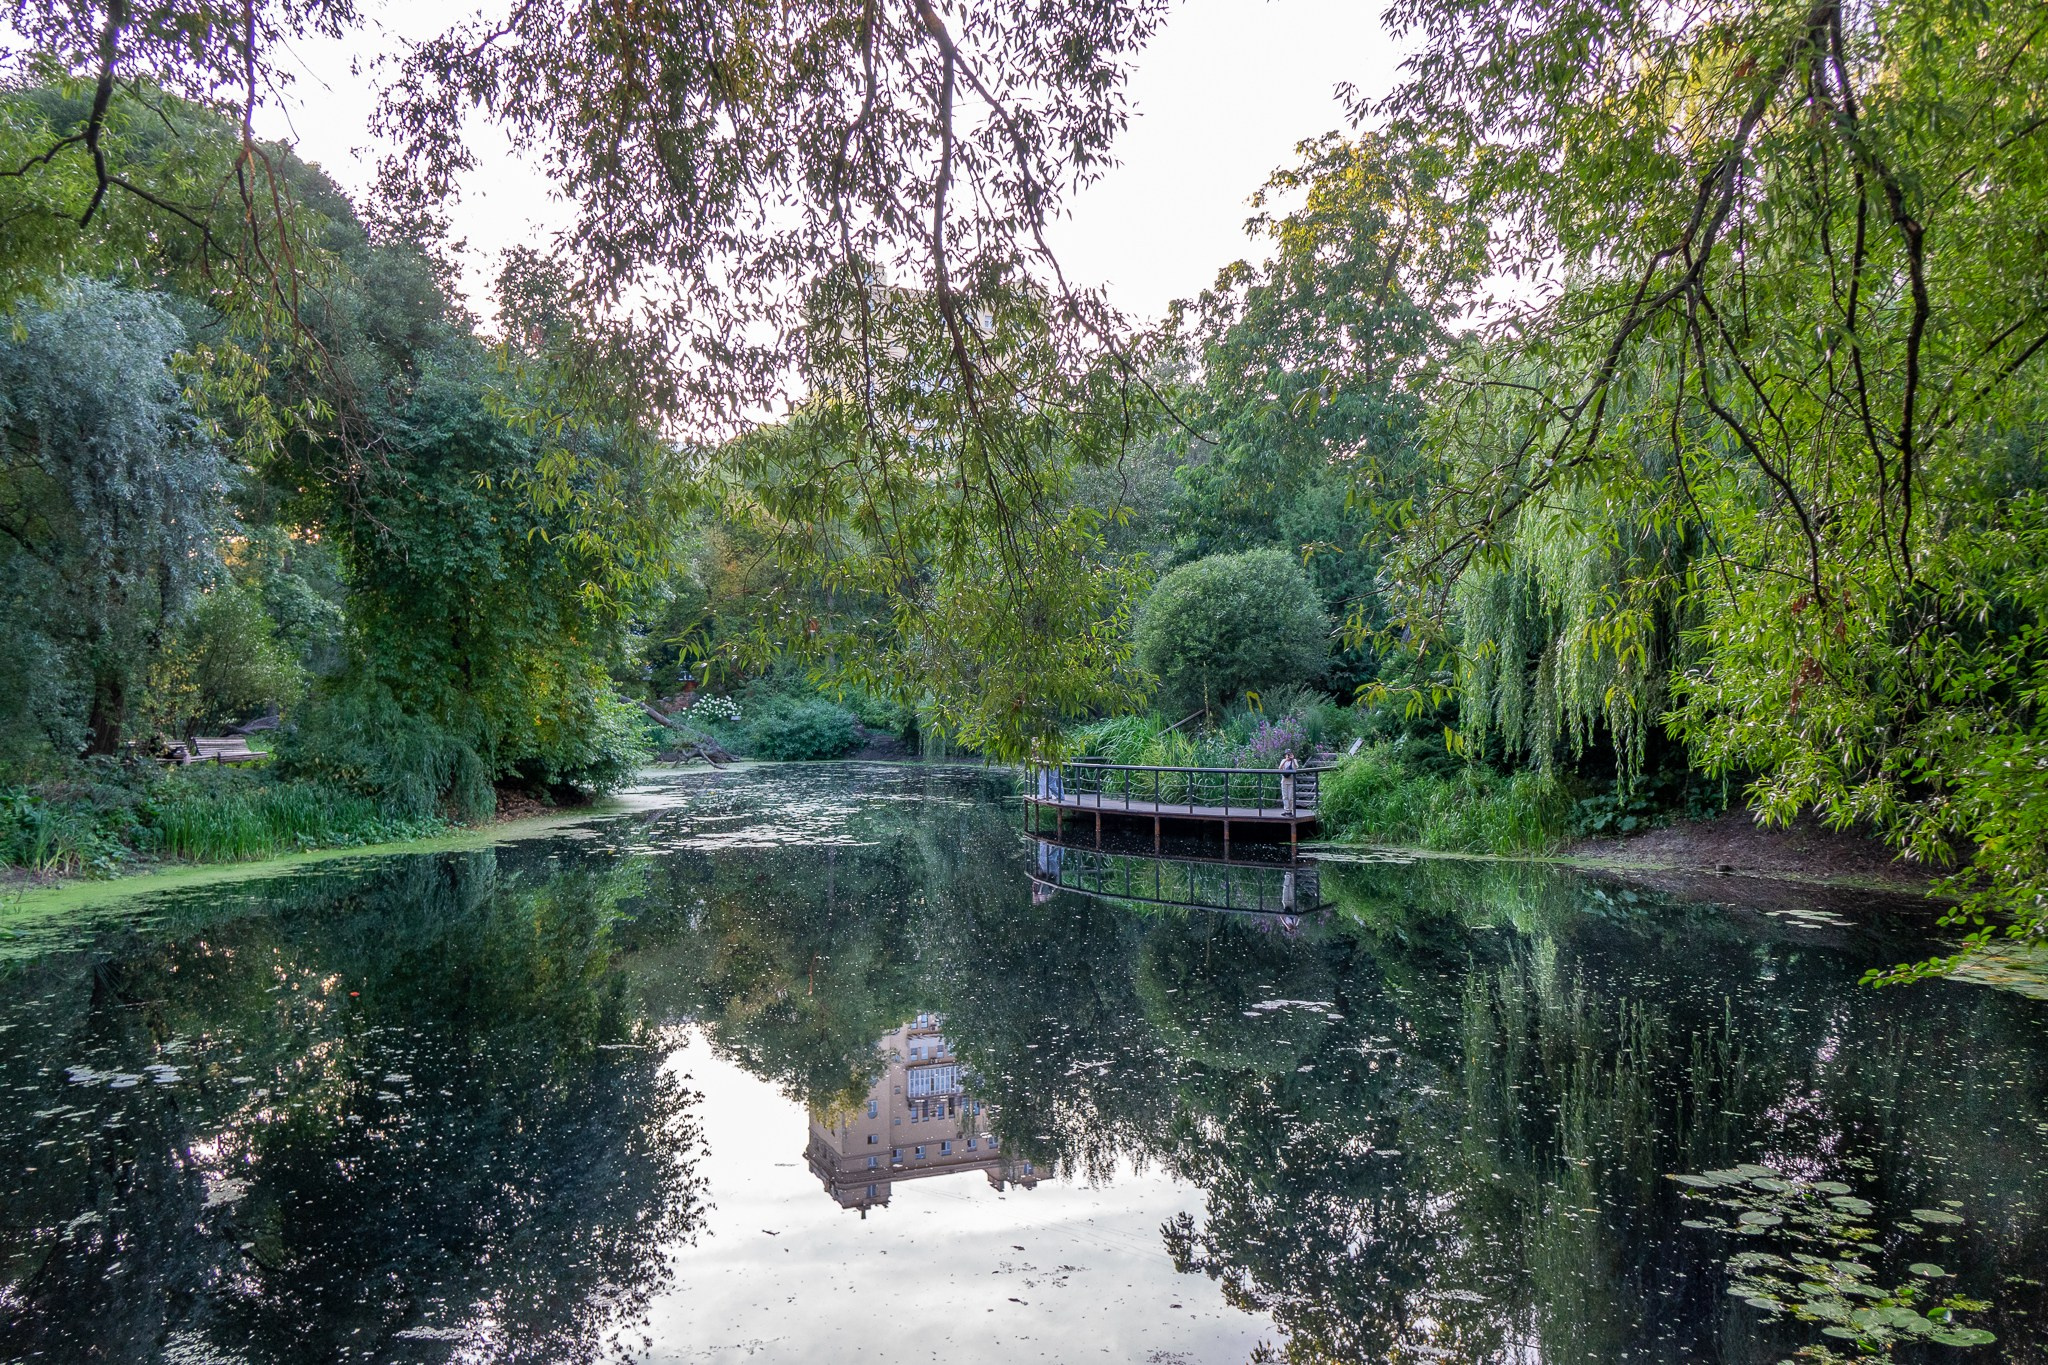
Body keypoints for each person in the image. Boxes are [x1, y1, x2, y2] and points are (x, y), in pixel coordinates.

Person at [1278, 749, 1299, 815]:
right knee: (1285, 797)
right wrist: (1285, 761)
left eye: (1289, 754)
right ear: (1285, 755)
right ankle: (1286, 810)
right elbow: (1280, 769)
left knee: (1291, 797)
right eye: (1287, 754)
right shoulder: (1283, 761)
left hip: (1291, 781)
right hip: (1284, 781)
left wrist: (1292, 760)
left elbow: (1296, 768)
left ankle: (1290, 810)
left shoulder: (1294, 761)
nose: (1288, 755)